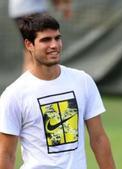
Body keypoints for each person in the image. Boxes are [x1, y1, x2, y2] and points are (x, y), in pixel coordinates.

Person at [0, 13, 115, 169]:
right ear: (29, 45)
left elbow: (99, 138)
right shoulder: (14, 94)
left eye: (57, 38)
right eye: (46, 40)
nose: (54, 45)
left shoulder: (82, 81)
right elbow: (6, 153)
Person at [9, 0, 72, 71]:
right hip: (32, 10)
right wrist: (64, 6)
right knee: (32, 50)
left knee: (29, 50)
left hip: (18, 11)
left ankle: (29, 75)